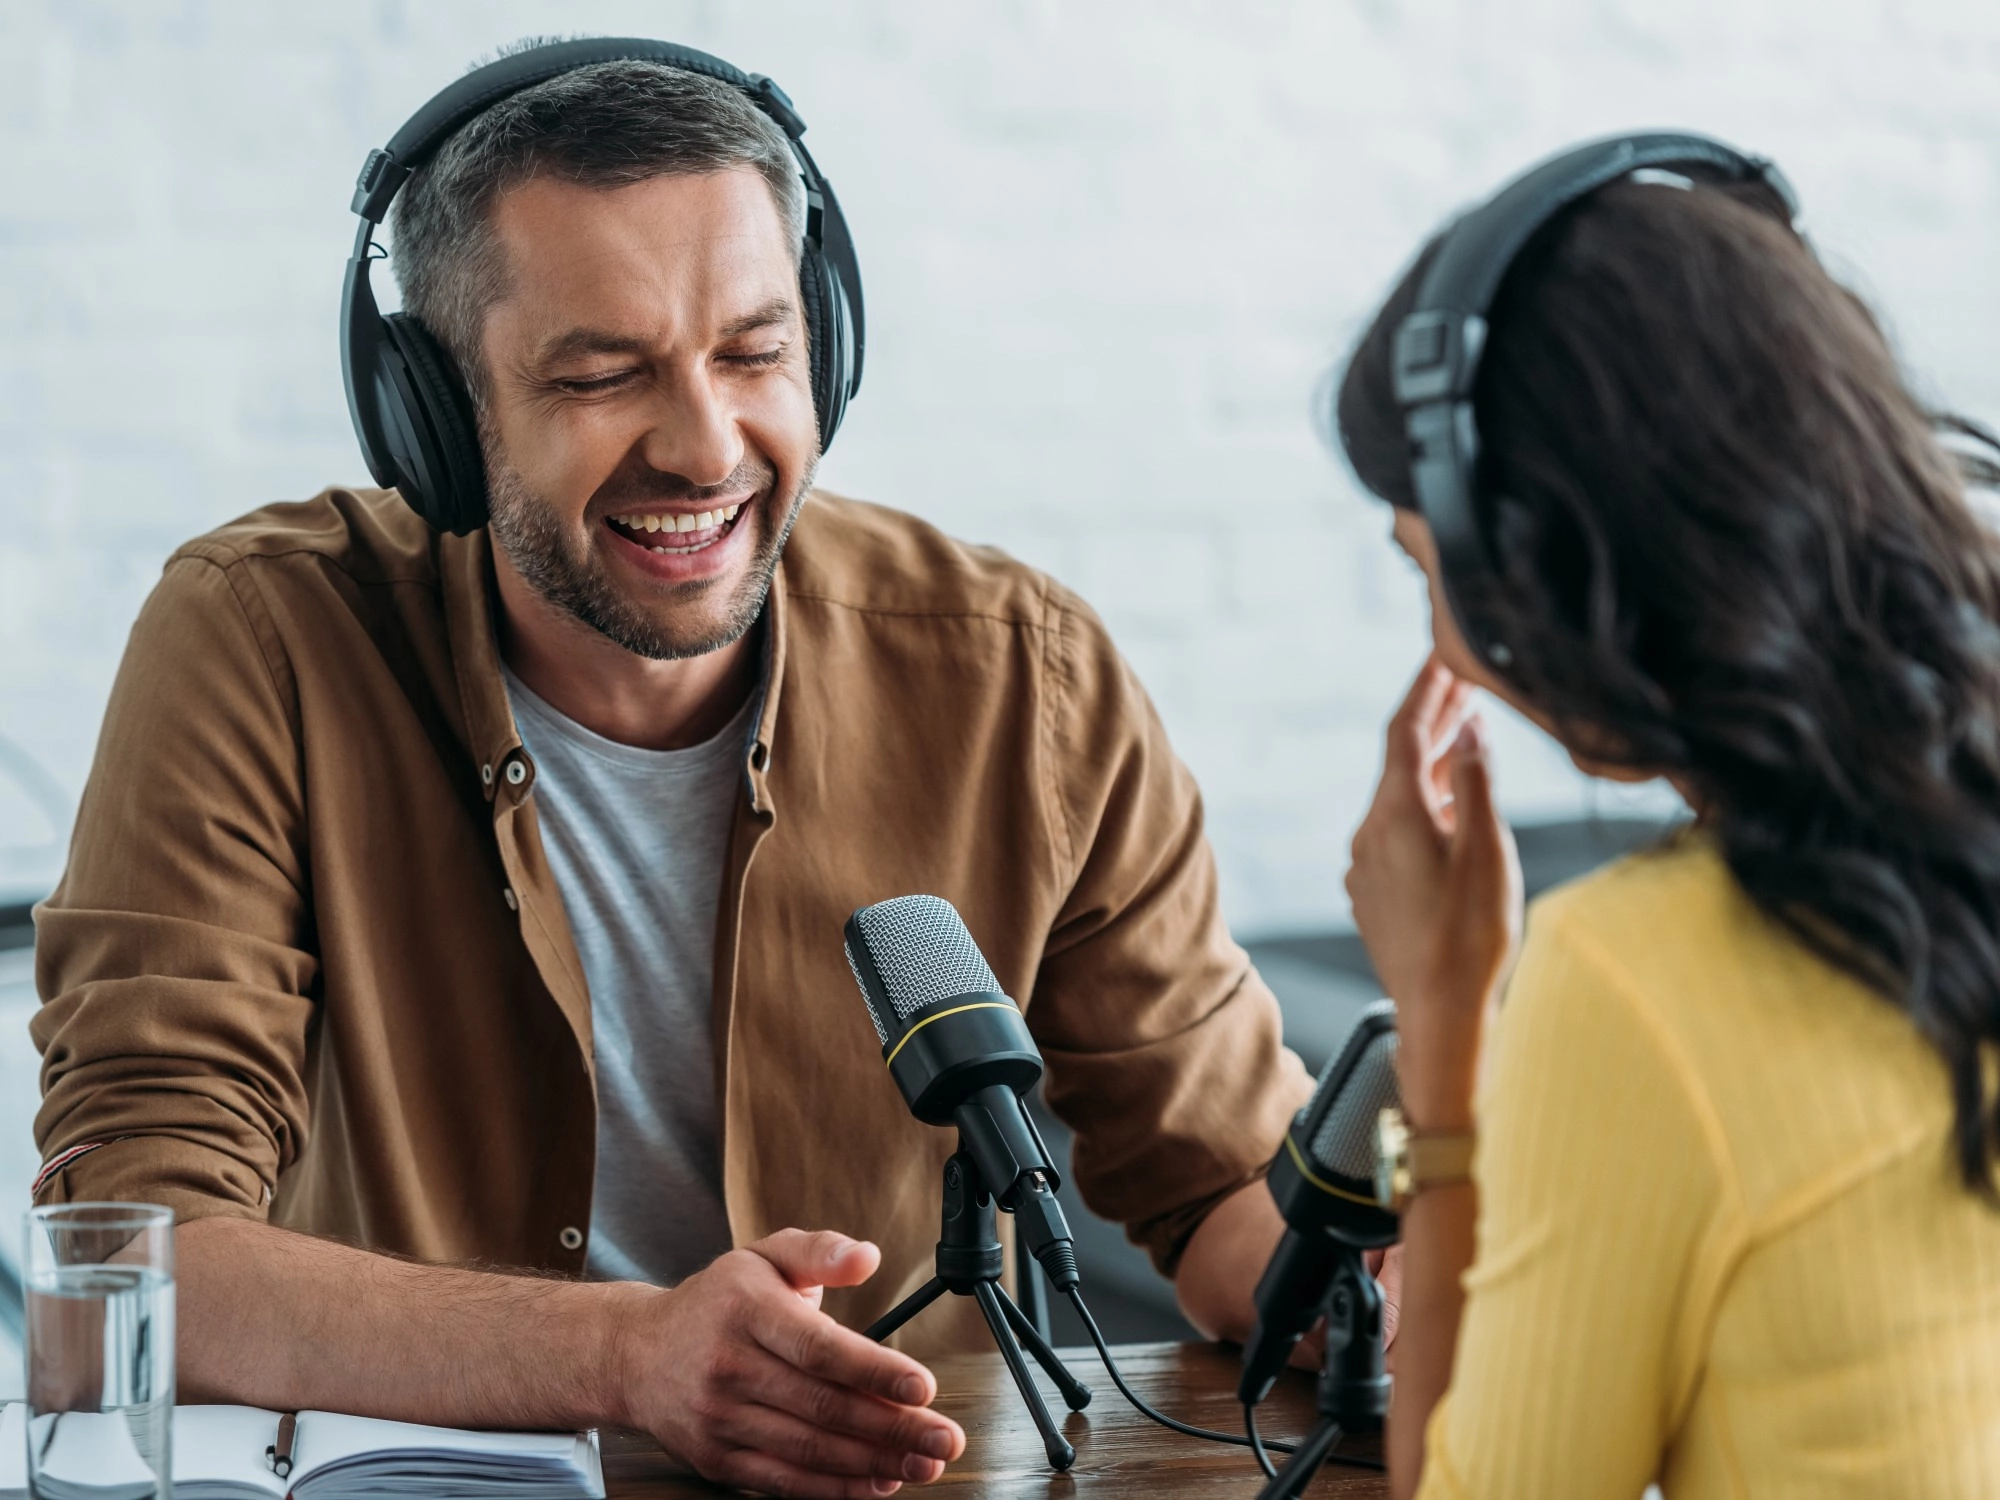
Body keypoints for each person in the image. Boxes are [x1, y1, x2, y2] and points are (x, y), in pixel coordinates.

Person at [29, 43, 1324, 1499]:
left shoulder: (1024, 676)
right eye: (599, 373)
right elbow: (124, 1280)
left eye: (757, 353)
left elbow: (1226, 1193)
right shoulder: (260, 643)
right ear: (441, 419)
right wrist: (628, 1355)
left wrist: (1369, 1284)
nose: (709, 447)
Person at [1336, 139, 2000, 1497]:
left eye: (1430, 571)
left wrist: (1450, 1034)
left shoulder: (1641, 982)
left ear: (1547, 558)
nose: (1450, 655)